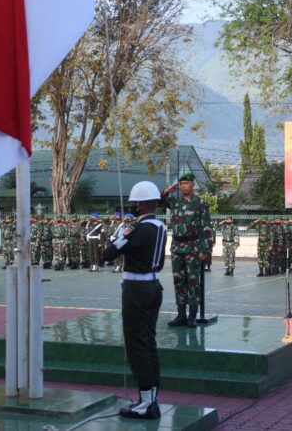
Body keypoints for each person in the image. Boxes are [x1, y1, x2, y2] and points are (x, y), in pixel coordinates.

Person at [102, 181, 167, 420]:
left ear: (140, 204)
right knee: (148, 342)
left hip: (136, 288)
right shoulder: (160, 227)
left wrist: (120, 234)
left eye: (136, 204)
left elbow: (109, 254)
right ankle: (151, 397)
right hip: (154, 285)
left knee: (136, 344)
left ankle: (146, 402)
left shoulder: (139, 229)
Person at [161, 172, 212, 328]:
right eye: (181, 184)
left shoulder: (200, 203)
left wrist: (205, 250)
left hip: (193, 248)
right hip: (177, 247)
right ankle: (181, 314)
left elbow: (206, 227)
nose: (183, 186)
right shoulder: (175, 201)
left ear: (193, 185)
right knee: (178, 282)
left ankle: (192, 316)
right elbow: (159, 199)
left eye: (186, 183)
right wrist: (169, 189)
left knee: (193, 282)